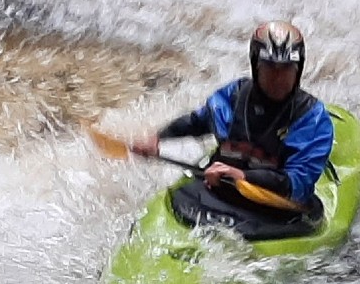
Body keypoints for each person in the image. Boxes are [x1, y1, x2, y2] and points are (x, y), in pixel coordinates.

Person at [132, 20, 334, 239]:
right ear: (256, 66)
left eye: (286, 69)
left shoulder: (311, 118)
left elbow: (297, 182)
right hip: (218, 195)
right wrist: (158, 139)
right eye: (269, 68)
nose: (278, 78)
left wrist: (242, 176)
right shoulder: (234, 96)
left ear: (298, 70)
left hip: (274, 215)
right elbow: (198, 121)